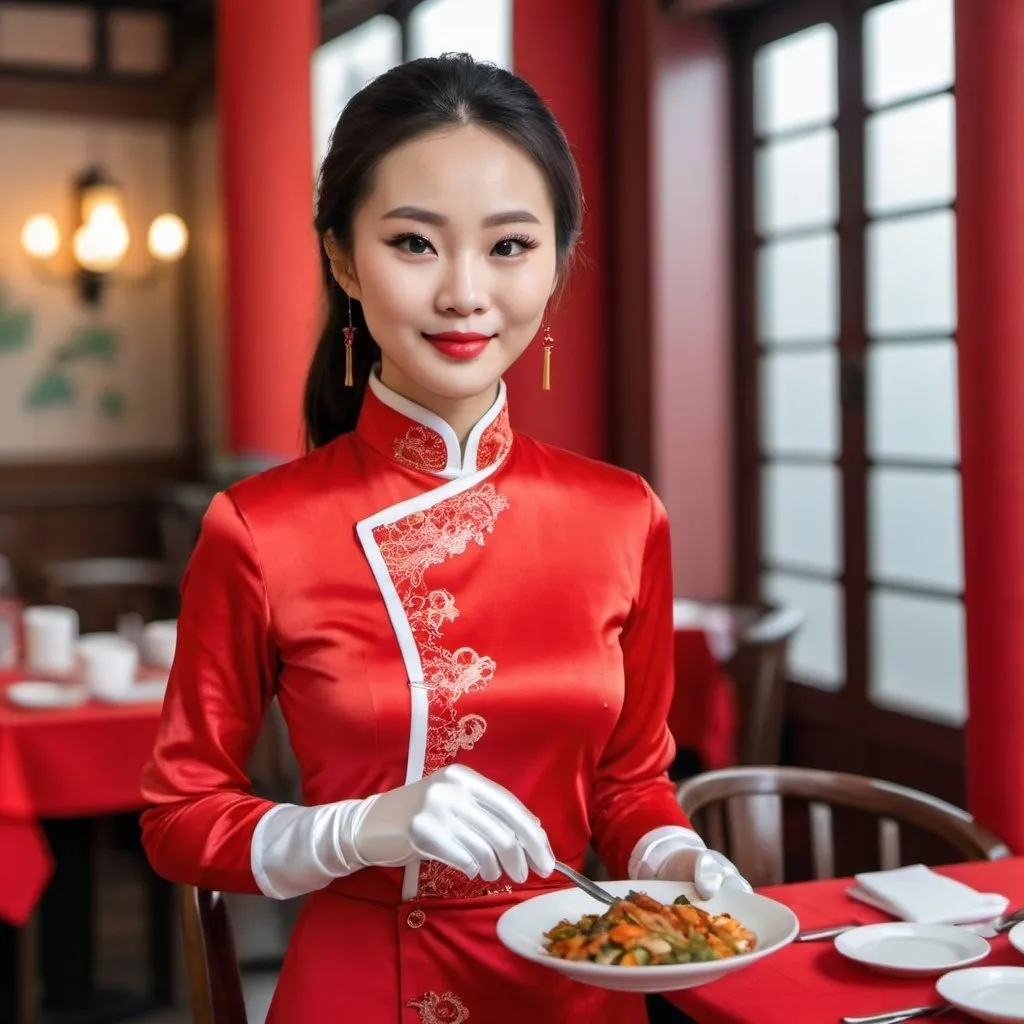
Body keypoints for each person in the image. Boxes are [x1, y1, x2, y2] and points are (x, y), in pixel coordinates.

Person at [140, 53, 749, 1024]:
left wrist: (679, 855)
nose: (466, 293)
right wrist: (357, 829)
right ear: (342, 258)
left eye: (509, 247)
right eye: (415, 244)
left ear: (559, 256)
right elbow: (179, 819)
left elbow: (629, 781)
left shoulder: (624, 514)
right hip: (360, 988)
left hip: (579, 975)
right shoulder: (258, 526)